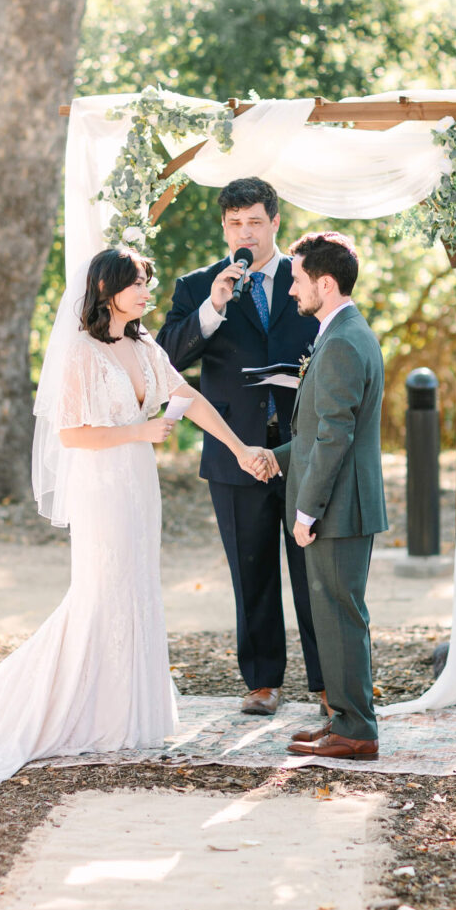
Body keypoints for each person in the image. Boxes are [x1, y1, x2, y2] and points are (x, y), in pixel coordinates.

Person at [0, 247, 262, 807]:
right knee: (101, 592)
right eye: (136, 283)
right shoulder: (82, 355)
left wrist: (237, 448)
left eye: (146, 283)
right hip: (102, 485)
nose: (146, 292)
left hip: (139, 487)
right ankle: (81, 711)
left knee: (136, 587)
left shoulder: (144, 346)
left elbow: (192, 398)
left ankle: (129, 714)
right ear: (106, 289)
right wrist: (139, 434)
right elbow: (73, 435)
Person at [157, 178, 324, 717]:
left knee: (313, 570)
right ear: (224, 227)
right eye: (234, 224)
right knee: (250, 569)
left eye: (254, 222)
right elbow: (165, 360)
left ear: (275, 222)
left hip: (301, 448)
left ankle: (327, 683)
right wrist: (212, 307)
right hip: (234, 451)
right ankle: (262, 681)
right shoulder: (198, 286)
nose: (245, 233)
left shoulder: (308, 278)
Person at [253, 231, 388, 758]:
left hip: (339, 507)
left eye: (297, 279)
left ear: (324, 283)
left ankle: (355, 730)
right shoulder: (342, 334)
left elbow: (336, 436)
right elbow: (316, 433)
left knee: (339, 616)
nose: (291, 290)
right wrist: (275, 457)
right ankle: (344, 719)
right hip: (343, 501)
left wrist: (305, 510)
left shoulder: (342, 343)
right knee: (334, 614)